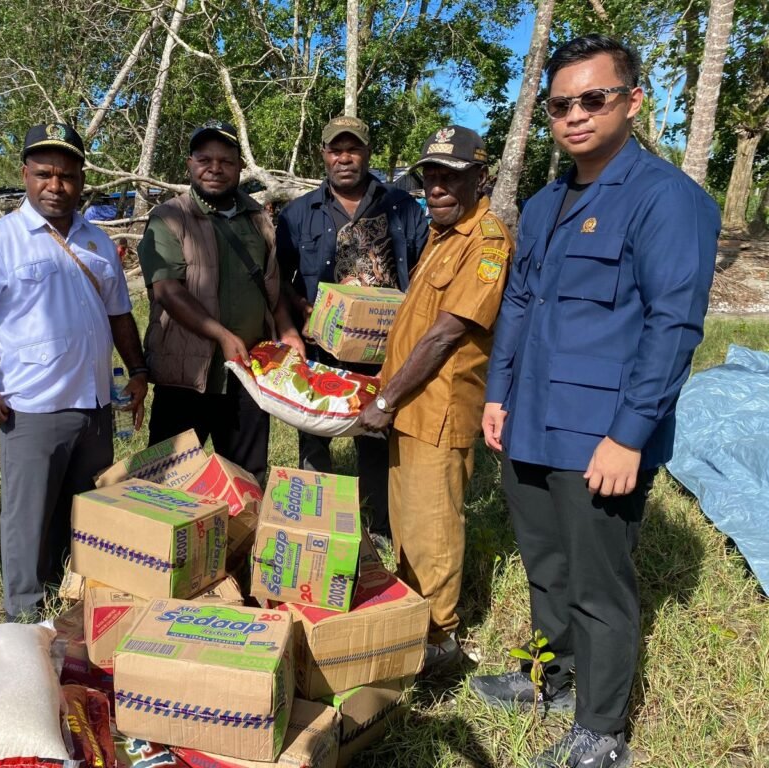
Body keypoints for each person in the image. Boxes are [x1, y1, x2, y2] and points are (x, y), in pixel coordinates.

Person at [470, 36, 719, 768]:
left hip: (600, 435)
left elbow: (674, 326)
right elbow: (518, 303)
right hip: (530, 422)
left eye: (593, 98)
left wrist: (629, 435)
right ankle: (552, 678)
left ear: (631, 101)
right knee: (546, 567)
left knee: (599, 585)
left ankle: (602, 731)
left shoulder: (667, 199)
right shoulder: (547, 202)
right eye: (560, 104)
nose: (575, 115)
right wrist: (498, 394)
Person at [0, 122, 148, 620]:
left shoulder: (98, 241)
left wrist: (138, 370)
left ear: (82, 180)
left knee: (84, 512)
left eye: (68, 175)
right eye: (44, 174)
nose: (56, 186)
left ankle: (71, 599)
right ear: (25, 176)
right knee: (27, 518)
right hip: (32, 409)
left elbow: (119, 314)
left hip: (96, 406)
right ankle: (24, 615)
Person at [356, 126, 513, 667]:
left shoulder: (486, 242)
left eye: (452, 176)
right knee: (406, 524)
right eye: (430, 176)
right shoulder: (442, 235)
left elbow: (446, 333)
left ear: (481, 178)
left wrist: (384, 401)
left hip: (438, 409)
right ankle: (410, 622)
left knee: (433, 530)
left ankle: (440, 642)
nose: (437, 187)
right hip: (408, 405)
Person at [277, 116, 429, 540]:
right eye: (335, 149)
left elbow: (420, 273)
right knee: (312, 437)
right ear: (323, 155)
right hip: (319, 352)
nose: (345, 158)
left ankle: (380, 529)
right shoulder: (297, 214)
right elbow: (278, 282)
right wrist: (302, 313)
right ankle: (317, 527)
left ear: (367, 153)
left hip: (382, 353)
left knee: (377, 436)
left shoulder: (402, 208)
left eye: (354, 149)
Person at [138, 119, 304, 484]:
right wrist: (222, 336)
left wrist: (289, 332)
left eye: (226, 161)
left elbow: (272, 291)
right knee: (168, 484)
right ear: (189, 164)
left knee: (247, 480)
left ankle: (240, 543)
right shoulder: (169, 217)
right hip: (185, 378)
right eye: (204, 159)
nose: (215, 168)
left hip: (247, 375)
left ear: (240, 168)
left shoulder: (258, 219)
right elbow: (167, 290)